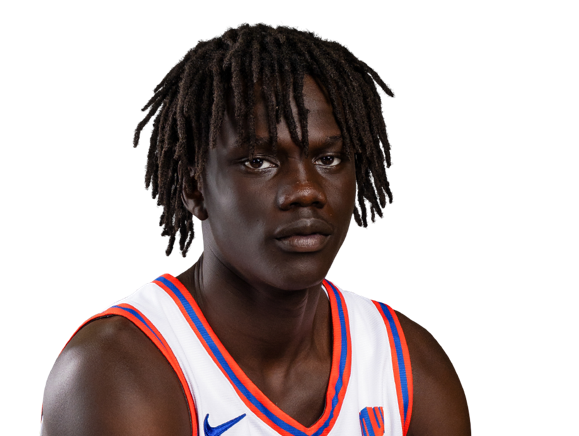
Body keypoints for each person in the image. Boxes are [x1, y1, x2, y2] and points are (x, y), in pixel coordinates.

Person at [40, 23, 471, 435]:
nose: (306, 191)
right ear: (194, 187)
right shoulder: (117, 367)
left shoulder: (406, 367)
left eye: (329, 159)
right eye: (258, 161)